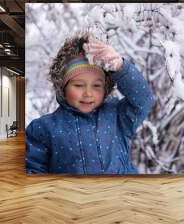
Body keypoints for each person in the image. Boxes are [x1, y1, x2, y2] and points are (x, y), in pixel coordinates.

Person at [25, 33, 154, 174]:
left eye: (96, 86)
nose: (88, 93)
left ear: (105, 87)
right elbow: (33, 171)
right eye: (79, 85)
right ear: (63, 86)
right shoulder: (44, 129)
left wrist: (120, 67)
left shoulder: (118, 116)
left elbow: (144, 99)